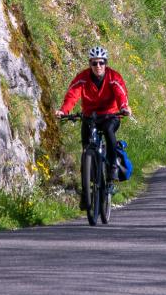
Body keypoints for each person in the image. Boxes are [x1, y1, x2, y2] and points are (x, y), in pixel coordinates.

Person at [55, 46, 132, 200]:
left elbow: (121, 95)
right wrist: (64, 111)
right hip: (90, 117)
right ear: (90, 64)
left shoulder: (113, 77)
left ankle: (112, 167)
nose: (98, 66)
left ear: (106, 63)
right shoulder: (83, 78)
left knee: (110, 131)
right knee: (86, 150)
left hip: (111, 115)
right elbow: (72, 95)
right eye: (94, 63)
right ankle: (87, 191)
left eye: (101, 63)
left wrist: (124, 107)